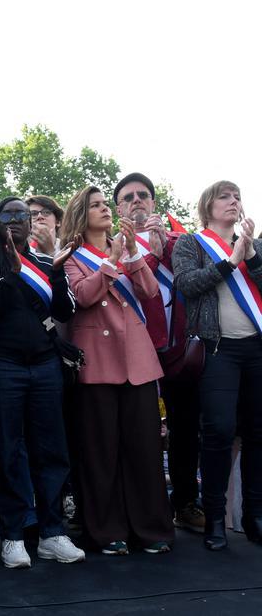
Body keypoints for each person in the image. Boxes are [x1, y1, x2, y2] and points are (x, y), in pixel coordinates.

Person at [0, 197, 86, 568]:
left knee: (51, 450)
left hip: (45, 365)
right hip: (2, 366)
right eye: (8, 214)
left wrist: (57, 272)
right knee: (7, 451)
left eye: (23, 214)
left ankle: (53, 533)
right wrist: (10, 275)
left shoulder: (46, 262)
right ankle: (13, 536)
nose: (17, 220)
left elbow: (65, 310)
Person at [60, 185, 174, 556]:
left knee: (144, 449)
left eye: (105, 204)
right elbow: (84, 296)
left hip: (137, 360)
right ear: (81, 215)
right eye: (95, 205)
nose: (105, 209)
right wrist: (109, 262)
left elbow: (149, 292)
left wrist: (132, 253)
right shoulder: (71, 255)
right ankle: (107, 532)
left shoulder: (126, 247)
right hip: (97, 361)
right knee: (101, 451)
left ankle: (151, 529)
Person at [171, 180, 262, 550]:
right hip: (218, 349)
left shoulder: (254, 245)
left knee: (257, 432)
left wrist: (251, 255)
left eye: (237, 196)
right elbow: (186, 284)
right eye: (224, 196)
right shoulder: (191, 243)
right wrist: (230, 261)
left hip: (256, 349)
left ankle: (255, 516)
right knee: (219, 431)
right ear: (208, 205)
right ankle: (215, 519)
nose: (233, 201)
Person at [113, 172, 202, 533]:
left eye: (143, 195)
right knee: (139, 433)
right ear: (119, 208)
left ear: (153, 202)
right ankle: (142, 510)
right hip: (135, 354)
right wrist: (150, 252)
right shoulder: (112, 246)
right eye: (128, 197)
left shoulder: (181, 242)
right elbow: (134, 287)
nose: (137, 201)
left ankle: (185, 502)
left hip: (180, 352)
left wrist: (165, 248)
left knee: (186, 430)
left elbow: (195, 282)